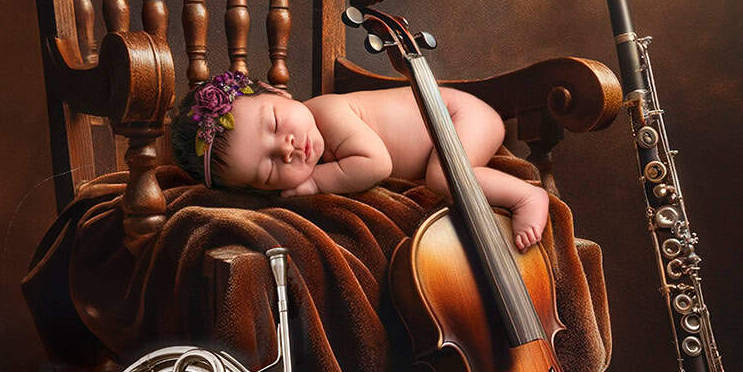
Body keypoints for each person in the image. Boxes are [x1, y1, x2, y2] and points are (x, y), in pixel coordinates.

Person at [172, 70, 550, 251]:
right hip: (453, 127)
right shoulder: (308, 143)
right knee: (438, 174)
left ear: (278, 92)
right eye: (269, 169)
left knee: (442, 176)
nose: (286, 148)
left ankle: (526, 197)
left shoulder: (327, 112)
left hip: (459, 118)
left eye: (273, 122)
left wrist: (316, 181)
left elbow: (376, 163)